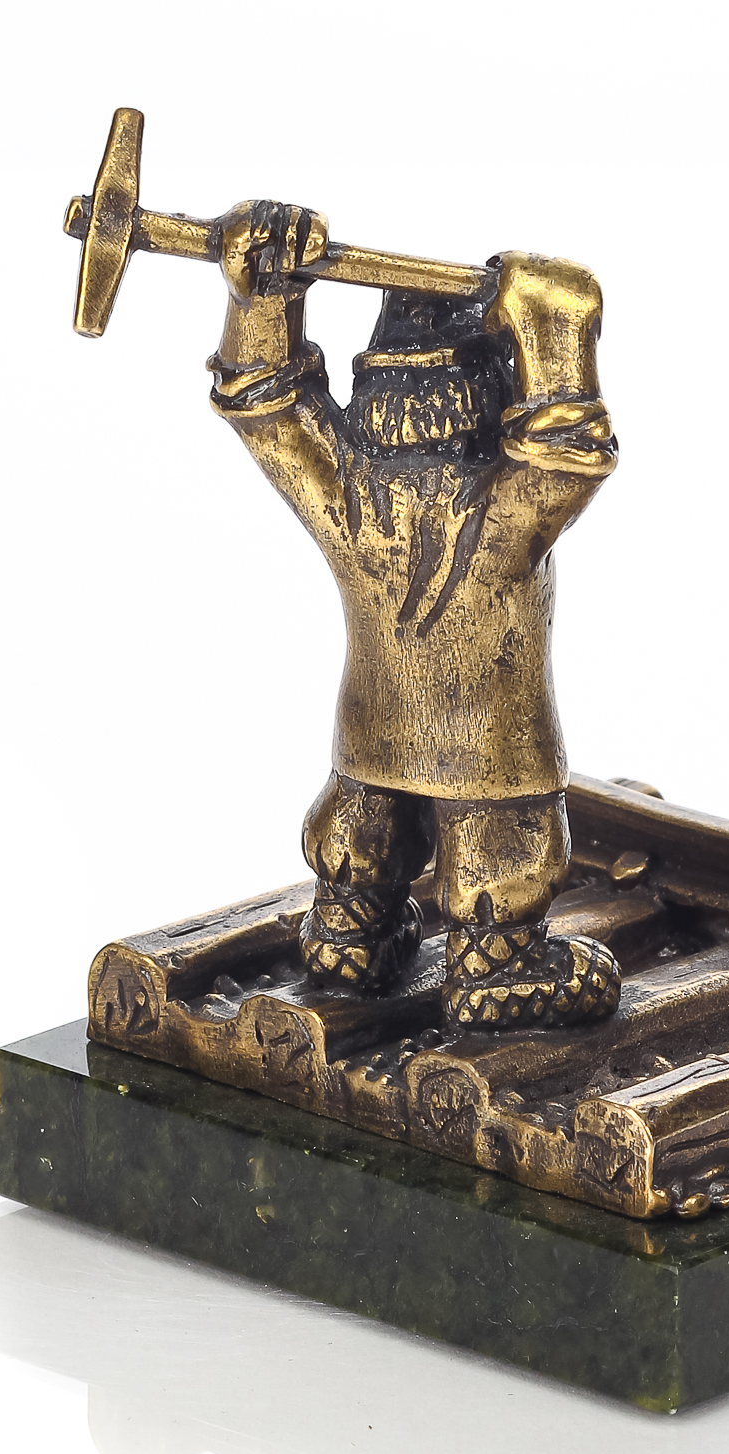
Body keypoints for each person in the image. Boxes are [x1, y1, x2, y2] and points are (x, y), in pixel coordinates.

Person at [205, 200, 620, 1028]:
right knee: (499, 875)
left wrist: (262, 301)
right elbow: (565, 454)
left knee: (356, 867)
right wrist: (557, 325)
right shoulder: (495, 509)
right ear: (487, 396)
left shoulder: (351, 493)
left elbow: (269, 409)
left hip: (367, 745)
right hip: (491, 765)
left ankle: (351, 928)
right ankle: (497, 962)